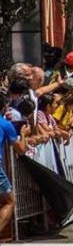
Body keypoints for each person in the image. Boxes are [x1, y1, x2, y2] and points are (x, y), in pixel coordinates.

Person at [0, 92, 30, 236]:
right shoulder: (6, 125)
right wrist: (24, 134)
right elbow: (21, 150)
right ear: (4, 108)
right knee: (9, 202)